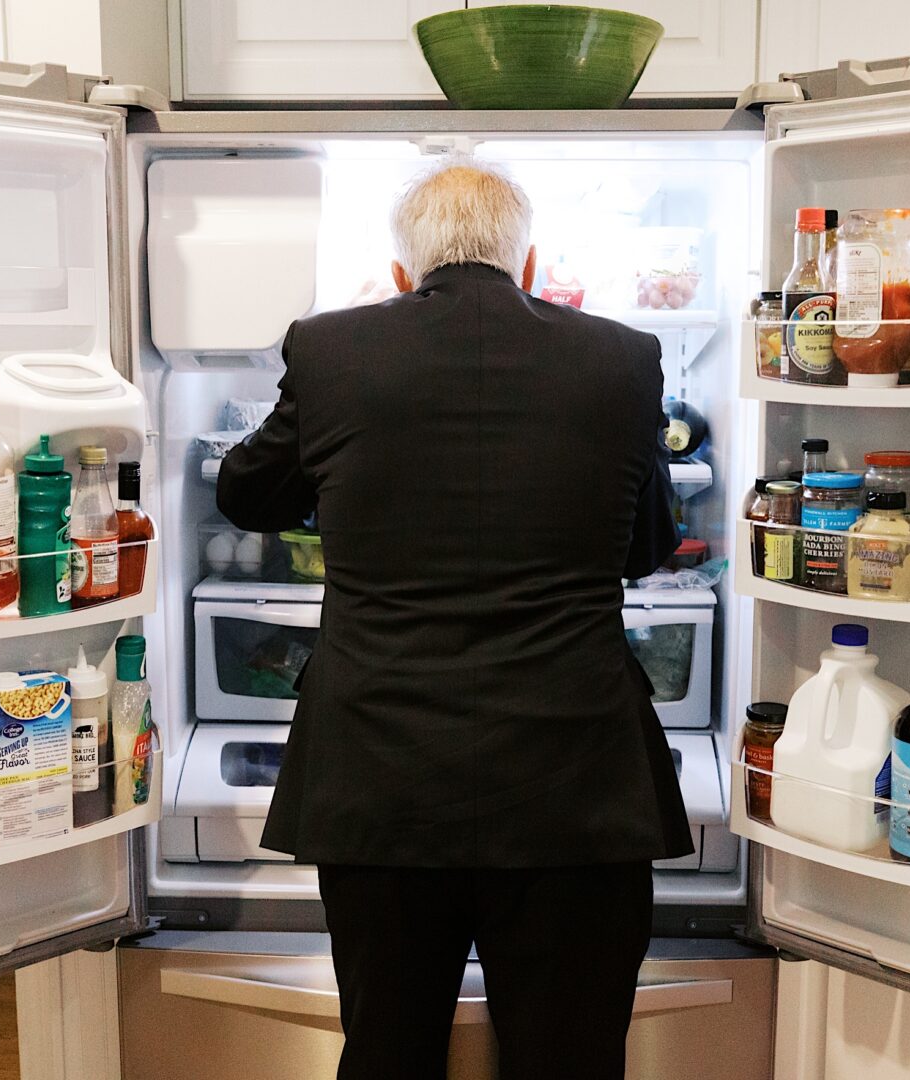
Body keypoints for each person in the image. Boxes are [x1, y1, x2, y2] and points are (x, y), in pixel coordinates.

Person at [216, 158, 691, 1080]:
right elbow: (644, 549)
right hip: (575, 783)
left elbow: (244, 495)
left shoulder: (328, 350)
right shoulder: (623, 358)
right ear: (529, 263)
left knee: (388, 1053)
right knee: (571, 1060)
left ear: (401, 274)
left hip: (381, 778)